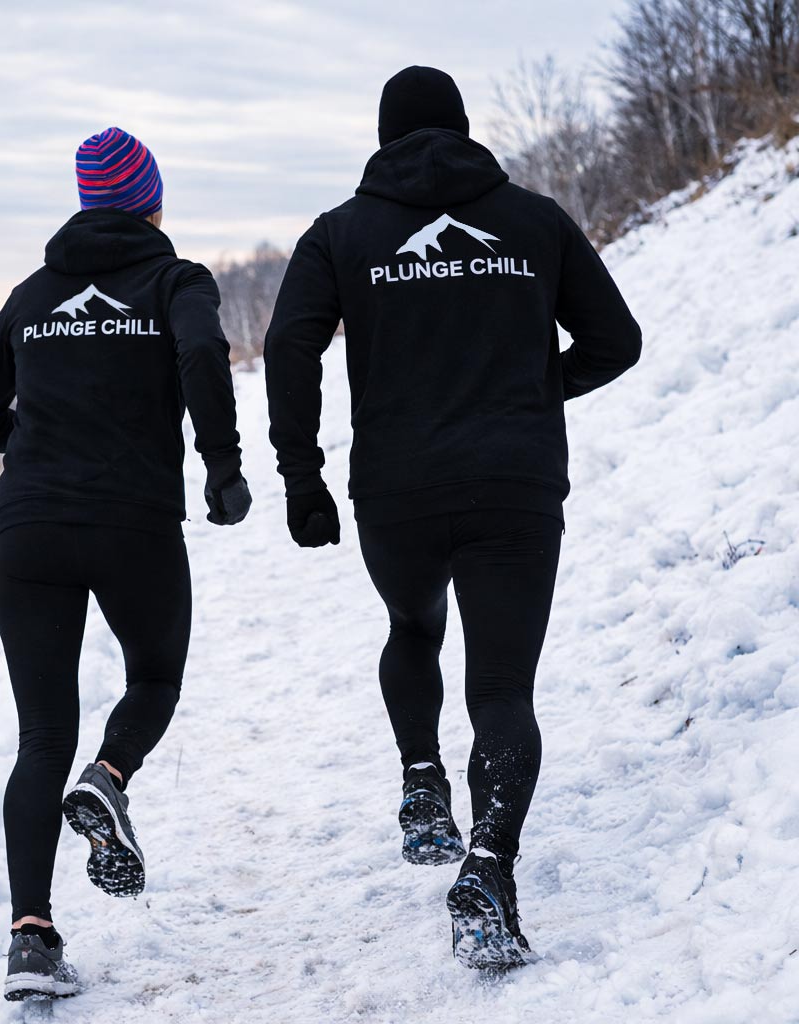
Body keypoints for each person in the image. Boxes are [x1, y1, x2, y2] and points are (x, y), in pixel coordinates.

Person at [264, 66, 641, 969]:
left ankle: (422, 780)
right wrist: (534, 388)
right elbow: (616, 341)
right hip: (515, 482)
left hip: (397, 490)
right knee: (503, 688)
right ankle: (488, 866)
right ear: (465, 129)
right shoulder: (535, 220)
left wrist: (301, 477)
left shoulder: (340, 234)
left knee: (412, 624)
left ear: (385, 136)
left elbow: (287, 345)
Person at [0, 125, 251, 1002]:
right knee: (155, 676)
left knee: (40, 731)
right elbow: (198, 352)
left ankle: (31, 941)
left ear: (86, 203)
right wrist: (220, 463)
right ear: (151, 201)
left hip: (31, 528)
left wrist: (49, 438)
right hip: (133, 523)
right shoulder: (175, 280)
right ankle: (109, 778)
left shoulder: (32, 293)